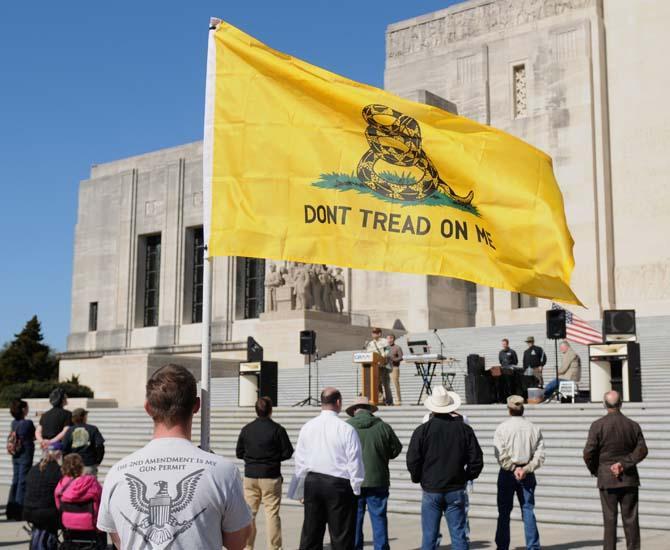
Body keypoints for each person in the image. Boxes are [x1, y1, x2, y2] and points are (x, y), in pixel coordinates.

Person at [97, 364, 252, 549]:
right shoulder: (223, 472)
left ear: (148, 408)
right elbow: (238, 543)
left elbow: (120, 540)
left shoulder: (117, 473)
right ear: (196, 406)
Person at [406, 387, 483, 550]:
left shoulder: (422, 431)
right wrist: (467, 476)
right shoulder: (464, 429)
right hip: (455, 487)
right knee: (458, 535)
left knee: (429, 536)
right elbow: (476, 460)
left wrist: (418, 478)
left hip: (431, 488)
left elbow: (412, 460)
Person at [294, 387, 365, 550]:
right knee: (341, 536)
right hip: (338, 484)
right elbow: (354, 461)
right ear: (338, 402)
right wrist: (356, 487)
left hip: (313, 482)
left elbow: (300, 459)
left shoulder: (308, 426)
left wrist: (300, 488)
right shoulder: (346, 428)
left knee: (311, 534)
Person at [583, 391, 648, 550]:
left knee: (609, 521)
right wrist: (624, 464)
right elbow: (642, 450)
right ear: (621, 404)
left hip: (607, 478)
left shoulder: (597, 425)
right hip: (629, 478)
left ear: (604, 404)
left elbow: (588, 453)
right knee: (631, 520)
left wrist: (597, 470)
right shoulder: (632, 425)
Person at [236, 396, 294, 550]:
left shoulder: (247, 429)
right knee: (272, 514)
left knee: (249, 515)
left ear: (256, 410)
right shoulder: (277, 429)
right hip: (271, 476)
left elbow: (239, 452)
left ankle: (247, 547)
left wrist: (252, 458)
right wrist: (274, 459)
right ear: (270, 410)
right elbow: (288, 452)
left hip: (250, 476)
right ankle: (274, 548)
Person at [346, 397, 402, 550]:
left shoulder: (346, 426)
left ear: (353, 410)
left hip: (353, 481)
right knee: (379, 517)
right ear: (370, 410)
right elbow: (395, 450)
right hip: (378, 479)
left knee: (355, 519)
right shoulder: (383, 427)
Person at [493, 395, 545, 550]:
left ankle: (502, 546)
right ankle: (533, 546)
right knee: (528, 510)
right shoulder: (533, 428)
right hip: (526, 471)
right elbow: (539, 455)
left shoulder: (502, 428)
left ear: (509, 409)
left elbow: (500, 454)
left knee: (504, 511)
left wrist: (513, 468)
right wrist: (526, 469)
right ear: (523, 409)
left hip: (508, 472)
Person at [55, 453, 106, 547]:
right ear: (81, 466)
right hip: (90, 524)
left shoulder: (62, 484)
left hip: (68, 523)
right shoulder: (91, 482)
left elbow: (59, 506)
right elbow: (102, 502)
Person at [23, 442, 63, 543]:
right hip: (49, 514)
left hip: (29, 511)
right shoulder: (59, 471)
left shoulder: (33, 469)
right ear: (59, 455)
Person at [6, 399, 35, 520]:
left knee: (16, 480)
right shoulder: (27, 423)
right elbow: (33, 436)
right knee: (22, 482)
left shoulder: (14, 422)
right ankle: (19, 511)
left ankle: (11, 509)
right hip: (25, 453)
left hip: (16, 454)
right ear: (23, 409)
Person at [62, 407, 105, 477]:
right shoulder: (93, 429)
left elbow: (64, 449)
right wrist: (98, 460)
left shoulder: (69, 431)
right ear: (84, 417)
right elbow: (100, 446)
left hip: (74, 466)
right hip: (89, 464)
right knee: (89, 486)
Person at [367, 328, 392, 405]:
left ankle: (389, 401)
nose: (373, 334)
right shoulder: (370, 343)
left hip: (384, 365)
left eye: (375, 333)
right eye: (373, 333)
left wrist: (382, 357)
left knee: (386, 384)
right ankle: (381, 400)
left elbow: (387, 351)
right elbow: (369, 353)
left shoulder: (384, 341)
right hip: (375, 366)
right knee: (377, 384)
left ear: (379, 334)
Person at [386, 334, 403, 406]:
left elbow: (401, 357)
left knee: (395, 384)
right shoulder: (386, 348)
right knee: (386, 385)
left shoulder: (397, 347)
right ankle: (388, 400)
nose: (389, 340)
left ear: (393, 339)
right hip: (386, 367)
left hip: (394, 368)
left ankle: (398, 400)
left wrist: (393, 359)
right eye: (387, 338)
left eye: (390, 338)